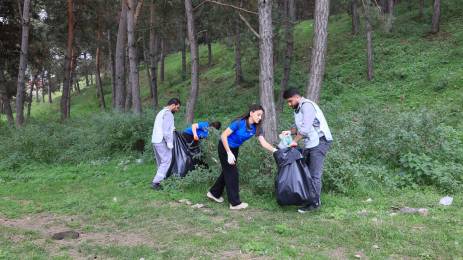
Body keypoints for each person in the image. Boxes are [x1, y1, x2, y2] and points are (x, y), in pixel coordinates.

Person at [207, 104, 277, 210]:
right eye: (258, 115)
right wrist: (229, 153)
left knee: (227, 171)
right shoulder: (239, 123)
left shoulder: (257, 128)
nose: (260, 117)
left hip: (235, 149)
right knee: (232, 173)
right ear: (251, 113)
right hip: (225, 147)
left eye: (261, 115)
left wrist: (275, 150)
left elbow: (263, 143)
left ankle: (214, 193)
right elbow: (223, 136)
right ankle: (235, 203)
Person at [281, 88, 333, 213]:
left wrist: (295, 141)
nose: (289, 104)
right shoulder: (298, 109)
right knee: (307, 173)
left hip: (321, 141)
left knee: (314, 174)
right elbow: (300, 127)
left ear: (297, 97)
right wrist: (290, 131)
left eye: (290, 101)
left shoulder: (307, 106)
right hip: (311, 142)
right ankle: (309, 199)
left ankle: (314, 203)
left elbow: (305, 129)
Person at [150, 98, 181, 190]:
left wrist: (172, 128)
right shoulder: (168, 114)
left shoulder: (161, 112)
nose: (177, 110)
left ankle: (160, 179)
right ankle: (156, 182)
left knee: (161, 162)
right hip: (161, 140)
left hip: (155, 139)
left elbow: (163, 126)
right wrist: (169, 143)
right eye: (177, 107)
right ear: (173, 105)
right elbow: (166, 131)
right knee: (166, 161)